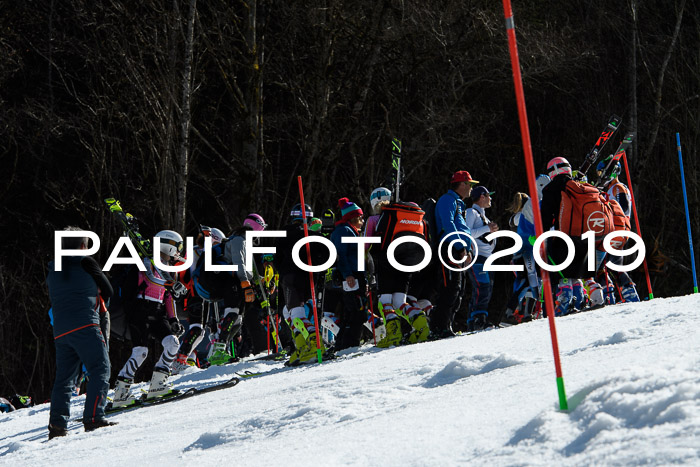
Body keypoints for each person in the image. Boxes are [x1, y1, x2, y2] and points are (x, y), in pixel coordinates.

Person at [46, 227, 116, 439]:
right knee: (100, 369)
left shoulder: (53, 268)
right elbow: (109, 290)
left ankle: (57, 425)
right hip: (86, 324)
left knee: (64, 379)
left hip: (61, 330)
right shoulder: (86, 262)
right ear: (84, 245)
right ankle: (94, 417)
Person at [112, 230, 186, 407]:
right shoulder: (146, 262)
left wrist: (173, 319)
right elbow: (148, 280)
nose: (179, 251)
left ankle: (158, 384)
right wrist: (168, 284)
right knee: (141, 352)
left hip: (158, 312)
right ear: (167, 244)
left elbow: (168, 297)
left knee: (173, 343)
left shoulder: (169, 271)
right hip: (140, 310)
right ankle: (121, 393)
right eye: (178, 246)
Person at [191, 221, 257, 365]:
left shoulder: (234, 242)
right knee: (233, 313)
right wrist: (246, 284)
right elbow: (238, 263)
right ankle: (219, 350)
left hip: (220, 282)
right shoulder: (239, 240)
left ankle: (218, 348)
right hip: (219, 280)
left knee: (238, 319)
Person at [274, 203, 328, 364]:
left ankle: (315, 342)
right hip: (307, 277)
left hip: (291, 277)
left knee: (296, 314)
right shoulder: (312, 235)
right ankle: (301, 345)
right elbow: (327, 254)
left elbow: (277, 259)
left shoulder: (286, 234)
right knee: (287, 312)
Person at [373, 200, 432, 346]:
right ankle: (421, 325)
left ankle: (393, 334)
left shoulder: (383, 217)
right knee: (400, 302)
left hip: (387, 260)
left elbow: (375, 243)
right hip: (409, 262)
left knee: (384, 301)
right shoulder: (417, 219)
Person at [430, 170, 477, 337]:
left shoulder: (458, 203)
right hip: (449, 248)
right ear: (462, 184)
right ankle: (439, 328)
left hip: (458, 250)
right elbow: (448, 224)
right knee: (450, 288)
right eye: (470, 184)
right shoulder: (447, 200)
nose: (471, 188)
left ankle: (446, 325)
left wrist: (468, 249)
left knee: (458, 289)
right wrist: (459, 247)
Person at [596, 158, 641, 303]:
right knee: (609, 265)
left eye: (601, 172)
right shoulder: (611, 188)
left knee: (607, 264)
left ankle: (623, 294)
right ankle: (615, 294)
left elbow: (624, 209)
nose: (600, 176)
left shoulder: (617, 188)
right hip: (614, 231)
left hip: (616, 230)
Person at [331, 198, 368, 350]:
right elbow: (341, 254)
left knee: (351, 311)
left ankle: (342, 343)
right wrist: (348, 274)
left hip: (356, 275)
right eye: (360, 217)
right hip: (351, 276)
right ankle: (350, 343)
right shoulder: (343, 231)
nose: (362, 220)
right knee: (357, 311)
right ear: (353, 217)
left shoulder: (351, 231)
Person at [464, 186, 499, 331]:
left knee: (486, 289)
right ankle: (479, 321)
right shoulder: (471, 212)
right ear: (482, 197)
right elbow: (466, 232)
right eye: (488, 196)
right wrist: (487, 229)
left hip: (487, 258)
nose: (491, 198)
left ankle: (473, 321)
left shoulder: (484, 216)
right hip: (477, 257)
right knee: (483, 287)